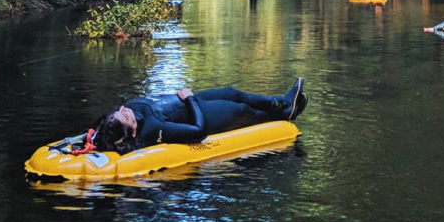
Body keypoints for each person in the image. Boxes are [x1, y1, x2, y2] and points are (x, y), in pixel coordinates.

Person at [92, 78, 308, 155]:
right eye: (125, 116)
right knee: (242, 110)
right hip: (197, 112)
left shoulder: (111, 121)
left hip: (187, 102)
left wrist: (90, 140)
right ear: (132, 130)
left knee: (233, 93)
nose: (123, 110)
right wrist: (189, 99)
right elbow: (199, 132)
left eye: (121, 111)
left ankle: (283, 103)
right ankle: (284, 113)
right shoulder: (153, 127)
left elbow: (99, 130)